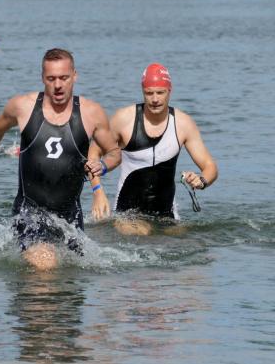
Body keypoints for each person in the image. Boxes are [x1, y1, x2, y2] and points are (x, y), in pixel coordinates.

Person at [0, 48, 120, 270]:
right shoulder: (22, 107)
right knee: (45, 264)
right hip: (30, 213)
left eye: (64, 78)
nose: (58, 85)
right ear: (42, 78)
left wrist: (102, 166)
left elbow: (114, 152)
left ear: (75, 76)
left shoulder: (92, 113)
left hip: (70, 218)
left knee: (70, 282)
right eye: (51, 79)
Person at [89, 63, 218, 235]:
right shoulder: (124, 119)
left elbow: (210, 166)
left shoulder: (183, 124)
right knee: (141, 233)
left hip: (167, 214)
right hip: (128, 213)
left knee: (188, 241)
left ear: (169, 91)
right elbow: (93, 153)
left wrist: (201, 181)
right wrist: (98, 192)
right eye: (149, 93)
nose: (155, 99)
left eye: (160, 92)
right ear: (143, 91)